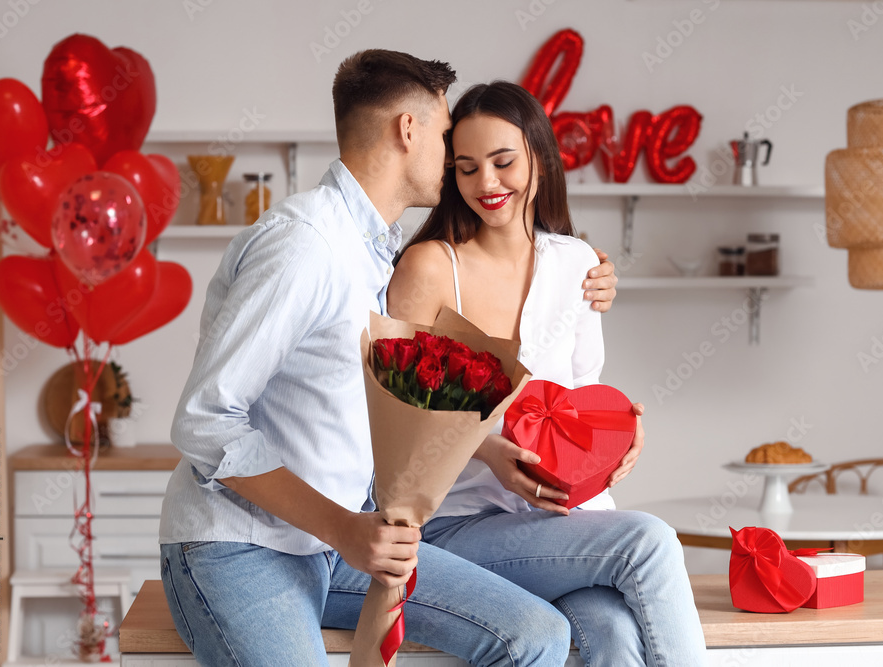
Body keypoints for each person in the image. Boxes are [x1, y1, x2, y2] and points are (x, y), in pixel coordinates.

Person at [158, 52, 620, 666]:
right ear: (409, 129)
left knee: (535, 635)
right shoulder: (305, 246)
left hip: (341, 544)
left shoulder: (376, 251)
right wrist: (344, 529)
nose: (454, 155)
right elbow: (204, 421)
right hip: (244, 547)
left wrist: (583, 271)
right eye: (446, 132)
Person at [388, 81, 709, 667]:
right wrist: (485, 450)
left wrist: (618, 434)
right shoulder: (430, 267)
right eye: (466, 168)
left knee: (614, 635)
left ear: (539, 157)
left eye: (503, 161)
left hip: (561, 524)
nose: (486, 183)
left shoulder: (578, 264)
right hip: (458, 527)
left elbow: (580, 401)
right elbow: (393, 417)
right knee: (650, 541)